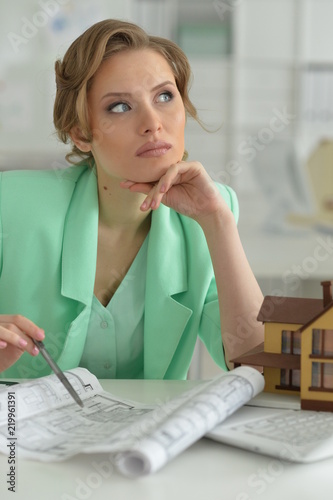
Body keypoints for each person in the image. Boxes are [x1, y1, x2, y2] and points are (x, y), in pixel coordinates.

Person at [0, 19, 263, 380]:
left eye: (165, 96)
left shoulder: (213, 210)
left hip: (151, 434)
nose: (153, 122)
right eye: (120, 107)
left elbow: (255, 363)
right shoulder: (12, 206)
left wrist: (217, 221)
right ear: (81, 133)